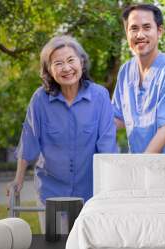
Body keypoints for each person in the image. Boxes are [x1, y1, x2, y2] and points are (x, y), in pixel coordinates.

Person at [8, 35, 117, 231]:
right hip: (50, 191)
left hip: (90, 192)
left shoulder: (100, 96)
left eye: (70, 60)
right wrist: (18, 180)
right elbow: (29, 142)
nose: (66, 68)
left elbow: (107, 147)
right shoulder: (39, 99)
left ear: (81, 62)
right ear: (49, 70)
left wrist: (110, 187)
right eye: (58, 63)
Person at [112, 4, 165, 153]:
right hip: (139, 166)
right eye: (134, 28)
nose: (140, 35)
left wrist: (142, 165)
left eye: (146, 27)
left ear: (159, 31)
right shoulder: (125, 71)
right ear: (127, 33)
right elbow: (117, 119)